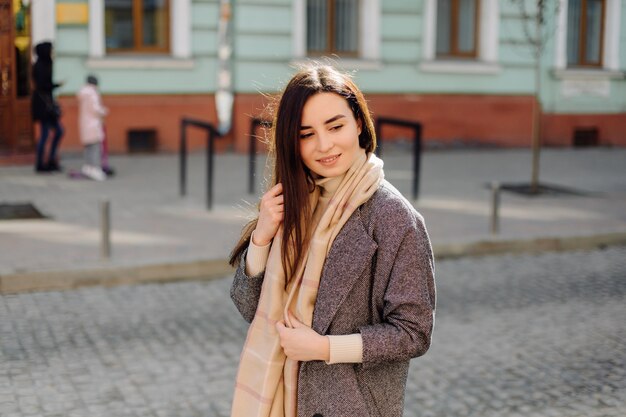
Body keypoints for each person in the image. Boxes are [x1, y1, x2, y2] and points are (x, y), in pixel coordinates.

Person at [229, 64, 436, 417]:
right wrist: (262, 237)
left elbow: (413, 333)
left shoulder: (393, 218)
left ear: (358, 122)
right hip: (283, 397)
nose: (324, 145)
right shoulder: (295, 202)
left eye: (335, 126)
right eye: (306, 134)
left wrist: (324, 348)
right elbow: (250, 307)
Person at [31, 41, 64, 173]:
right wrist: (56, 85)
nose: (52, 52)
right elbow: (42, 86)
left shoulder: (46, 64)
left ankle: (50, 160)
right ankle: (41, 164)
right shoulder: (40, 66)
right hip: (43, 106)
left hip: (46, 105)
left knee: (58, 131)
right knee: (46, 134)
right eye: (50, 50)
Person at [76, 75, 108, 181]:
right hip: (93, 124)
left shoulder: (82, 93)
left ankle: (87, 167)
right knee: (95, 147)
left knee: (88, 147)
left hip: (85, 124)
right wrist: (103, 111)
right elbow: (95, 109)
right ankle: (95, 169)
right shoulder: (93, 94)